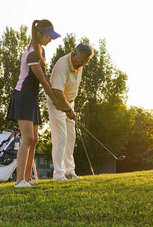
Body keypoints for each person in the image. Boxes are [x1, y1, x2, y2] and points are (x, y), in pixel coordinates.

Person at [7, 19, 62, 188]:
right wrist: (56, 101)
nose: (50, 40)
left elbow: (45, 80)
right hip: (23, 96)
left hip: (31, 98)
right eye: (48, 36)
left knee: (35, 139)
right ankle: (19, 181)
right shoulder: (32, 54)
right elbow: (44, 81)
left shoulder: (41, 51)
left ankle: (28, 178)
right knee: (28, 138)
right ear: (39, 34)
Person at [47, 43, 94, 181]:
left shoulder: (79, 65)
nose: (81, 65)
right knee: (60, 137)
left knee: (71, 137)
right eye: (80, 61)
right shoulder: (62, 64)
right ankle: (58, 174)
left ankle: (69, 170)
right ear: (74, 54)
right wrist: (67, 110)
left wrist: (70, 108)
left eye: (85, 63)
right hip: (57, 103)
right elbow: (57, 91)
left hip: (69, 103)